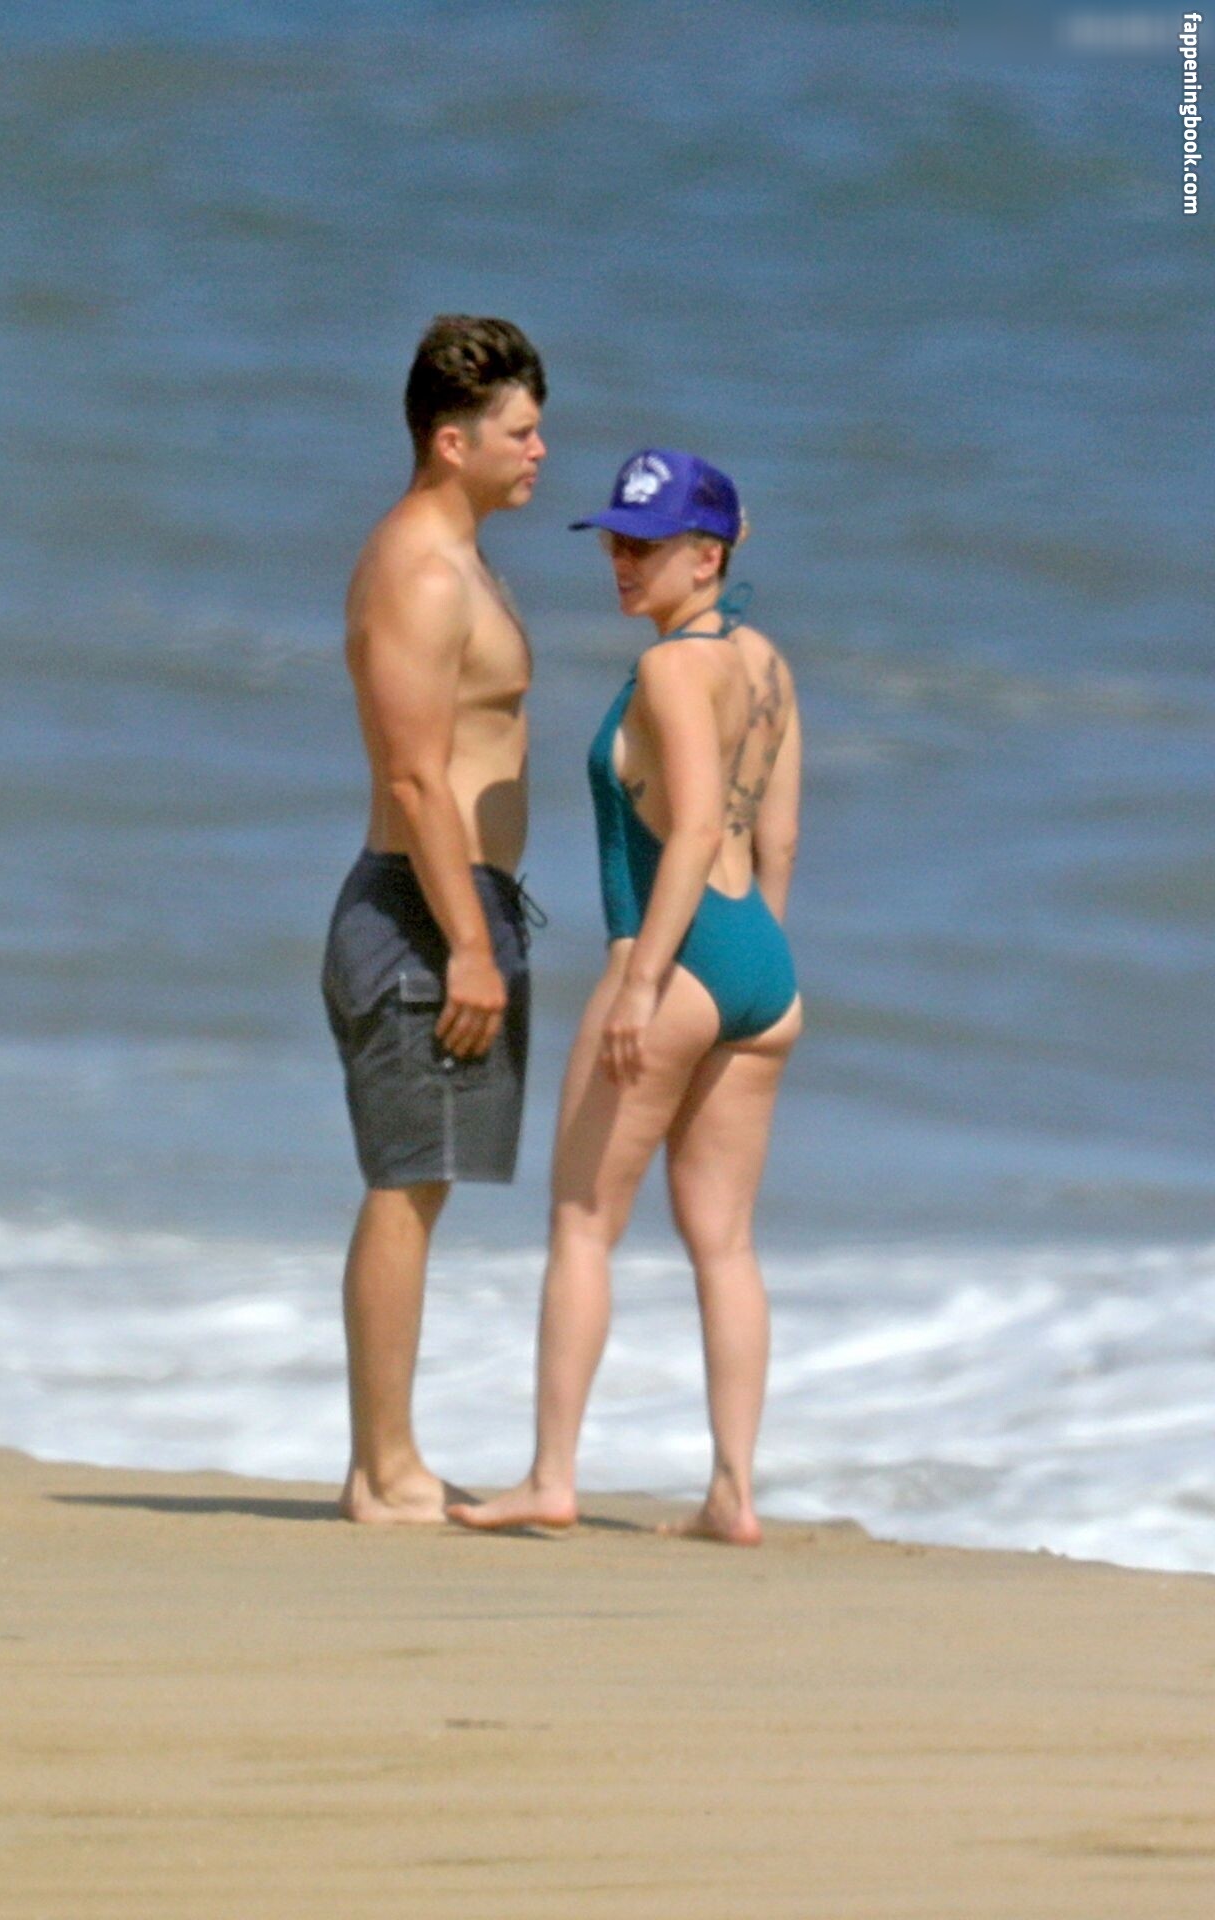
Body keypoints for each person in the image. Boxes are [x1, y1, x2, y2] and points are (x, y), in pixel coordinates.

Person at [451, 448, 802, 1547]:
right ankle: (732, 1494)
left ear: (710, 554)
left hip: (672, 953)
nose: (621, 559)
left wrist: (642, 984)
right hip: (760, 966)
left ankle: (550, 1477)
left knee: (582, 1223)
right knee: (725, 1243)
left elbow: (690, 830)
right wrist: (755, 964)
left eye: (646, 543)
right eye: (614, 538)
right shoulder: (766, 664)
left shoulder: (669, 673)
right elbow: (777, 838)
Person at [321, 315, 547, 1524]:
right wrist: (466, 943)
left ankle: (382, 1462)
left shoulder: (458, 557)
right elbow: (414, 778)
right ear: (451, 441)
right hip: (422, 908)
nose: (539, 450)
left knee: (423, 1182)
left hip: (453, 904)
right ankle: (385, 1470)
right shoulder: (420, 567)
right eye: (519, 432)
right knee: (406, 1183)